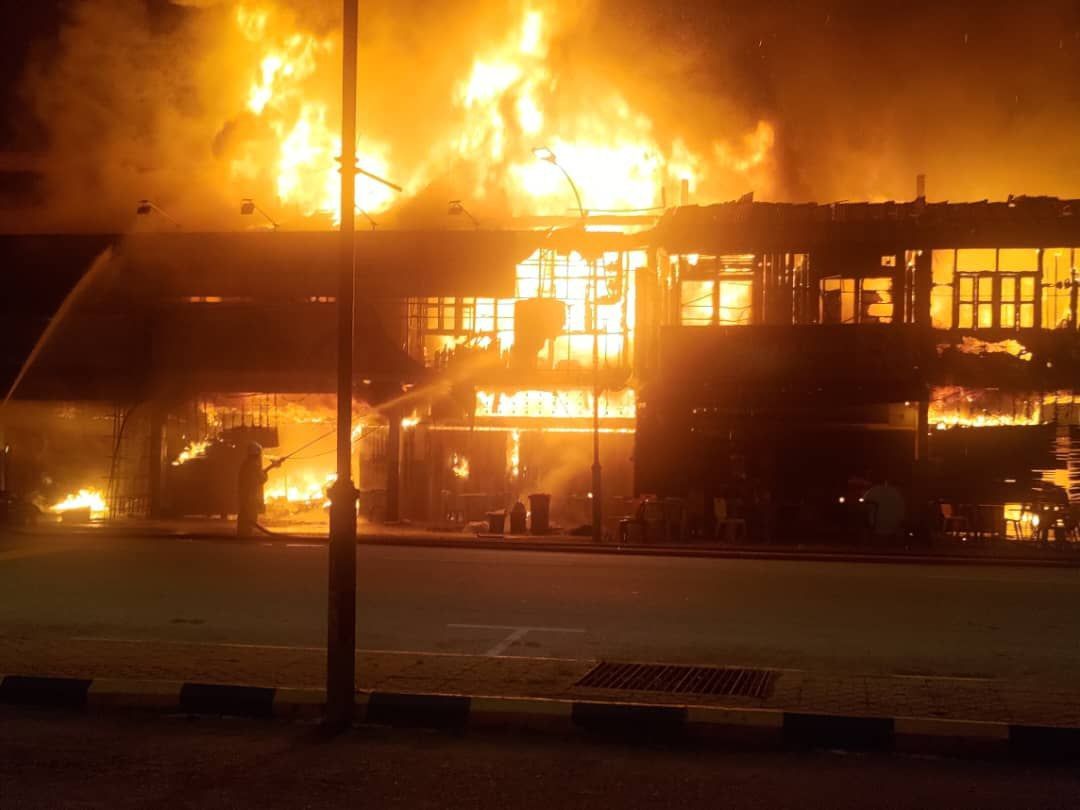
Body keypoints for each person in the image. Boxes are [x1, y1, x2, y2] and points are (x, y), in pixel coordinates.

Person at [237, 443, 279, 537]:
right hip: (250, 498)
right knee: (250, 518)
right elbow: (261, 479)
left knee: (244, 517)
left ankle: (242, 535)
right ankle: (246, 537)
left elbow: (257, 475)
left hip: (244, 497)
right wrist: (271, 468)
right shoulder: (253, 465)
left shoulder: (246, 464)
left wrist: (271, 467)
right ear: (256, 454)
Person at [863, 478, 906, 545]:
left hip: (876, 527)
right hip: (888, 527)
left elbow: (865, 506)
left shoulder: (872, 491)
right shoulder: (896, 494)